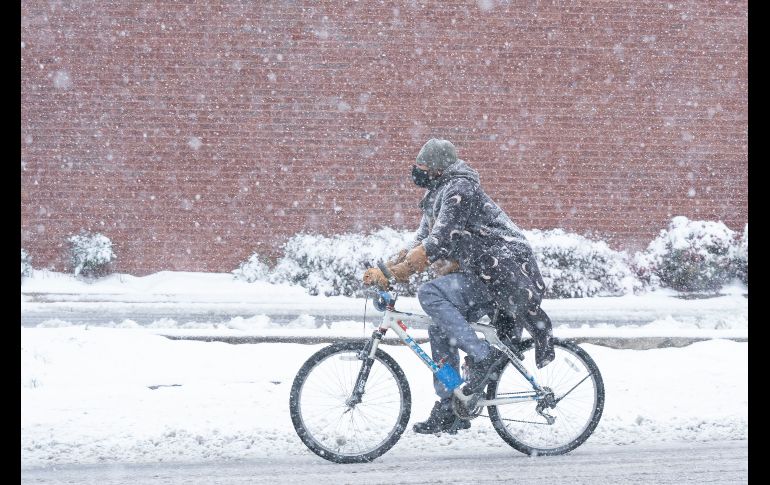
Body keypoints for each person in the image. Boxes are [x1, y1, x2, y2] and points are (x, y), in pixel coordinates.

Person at [363, 138, 555, 434]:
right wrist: (386, 270)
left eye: (423, 166)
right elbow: (419, 242)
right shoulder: (438, 193)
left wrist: (398, 273)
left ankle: (483, 355)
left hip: (505, 275)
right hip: (483, 273)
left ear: (439, 168)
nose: (417, 171)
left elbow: (440, 240)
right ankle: (451, 404)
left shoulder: (459, 189)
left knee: (430, 293)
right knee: (440, 327)